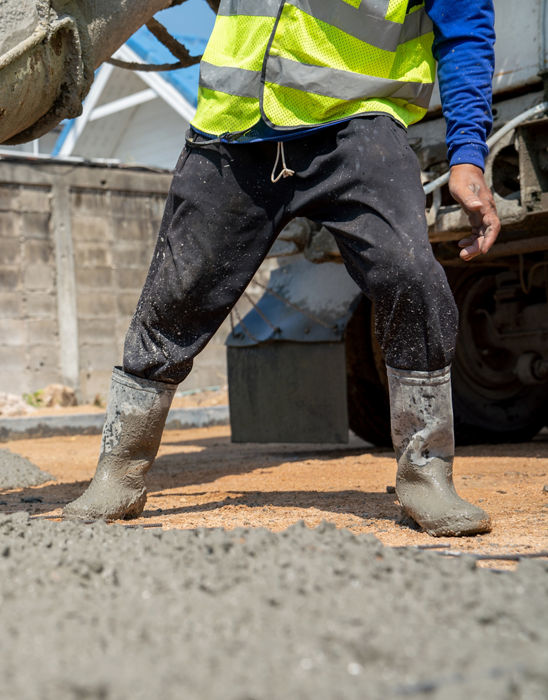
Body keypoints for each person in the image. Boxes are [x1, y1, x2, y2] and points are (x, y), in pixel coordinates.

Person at [64, 0, 500, 536]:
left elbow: (466, 28)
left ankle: (426, 476)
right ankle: (120, 471)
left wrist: (467, 155)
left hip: (355, 123)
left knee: (410, 275)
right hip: (234, 129)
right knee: (174, 298)